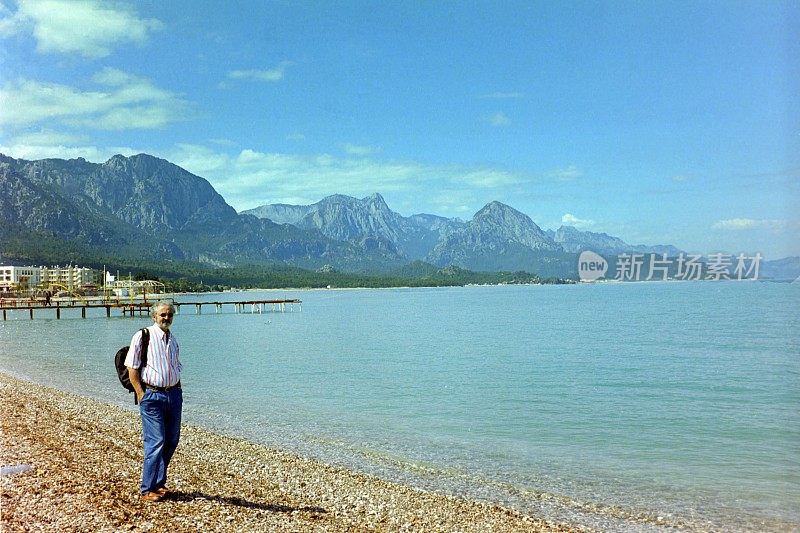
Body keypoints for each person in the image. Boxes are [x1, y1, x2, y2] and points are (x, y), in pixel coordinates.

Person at [125, 301, 183, 502]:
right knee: (156, 441)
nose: (166, 318)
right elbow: (131, 368)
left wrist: (178, 389)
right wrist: (141, 394)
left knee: (171, 441)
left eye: (169, 315)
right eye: (163, 315)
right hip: (152, 396)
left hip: (174, 395)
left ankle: (158, 483)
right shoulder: (142, 336)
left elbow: (175, 366)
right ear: (154, 317)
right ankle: (147, 489)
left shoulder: (172, 339)